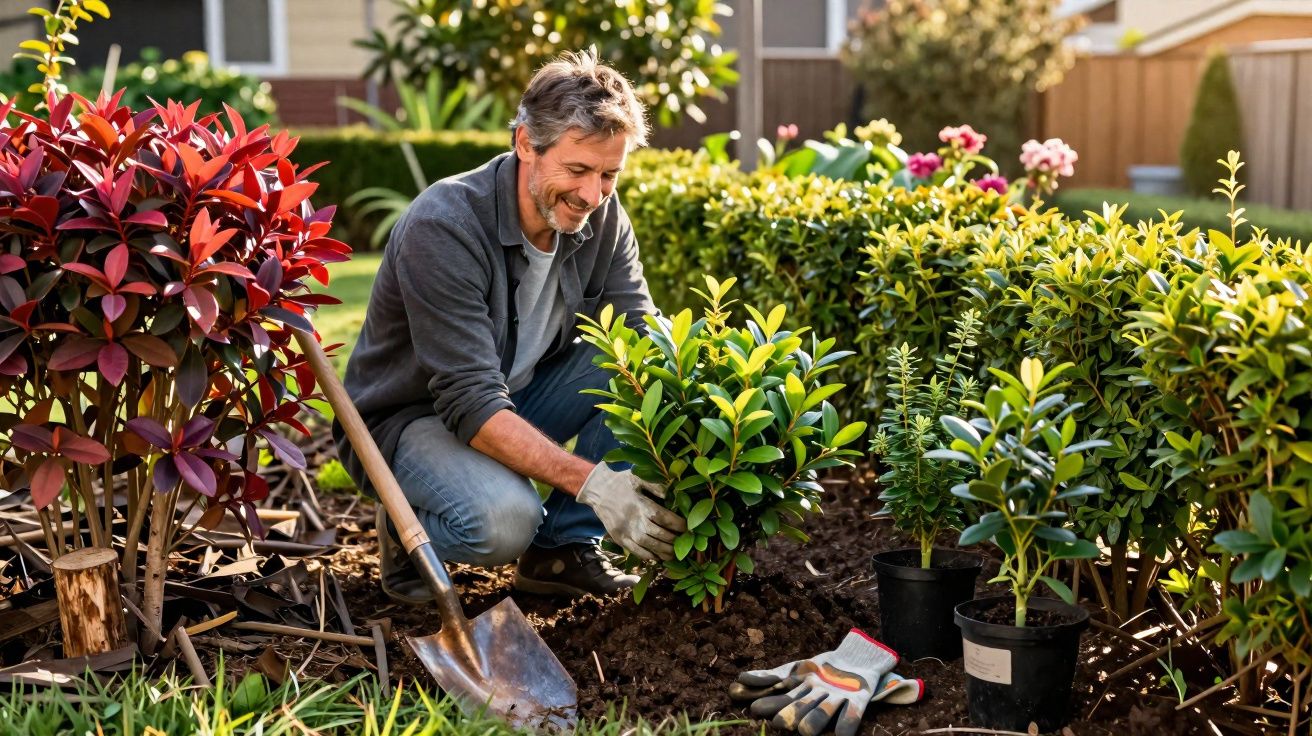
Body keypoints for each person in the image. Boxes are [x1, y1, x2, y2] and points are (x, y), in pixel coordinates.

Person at [332, 49, 686, 603]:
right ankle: (411, 529)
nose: (593, 195)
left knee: (639, 361)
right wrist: (596, 484)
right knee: (504, 522)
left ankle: (561, 554)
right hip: (415, 418)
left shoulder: (602, 215)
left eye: (609, 174)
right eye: (577, 170)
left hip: (516, 396)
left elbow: (640, 329)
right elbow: (469, 400)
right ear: (525, 143)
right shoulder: (444, 225)